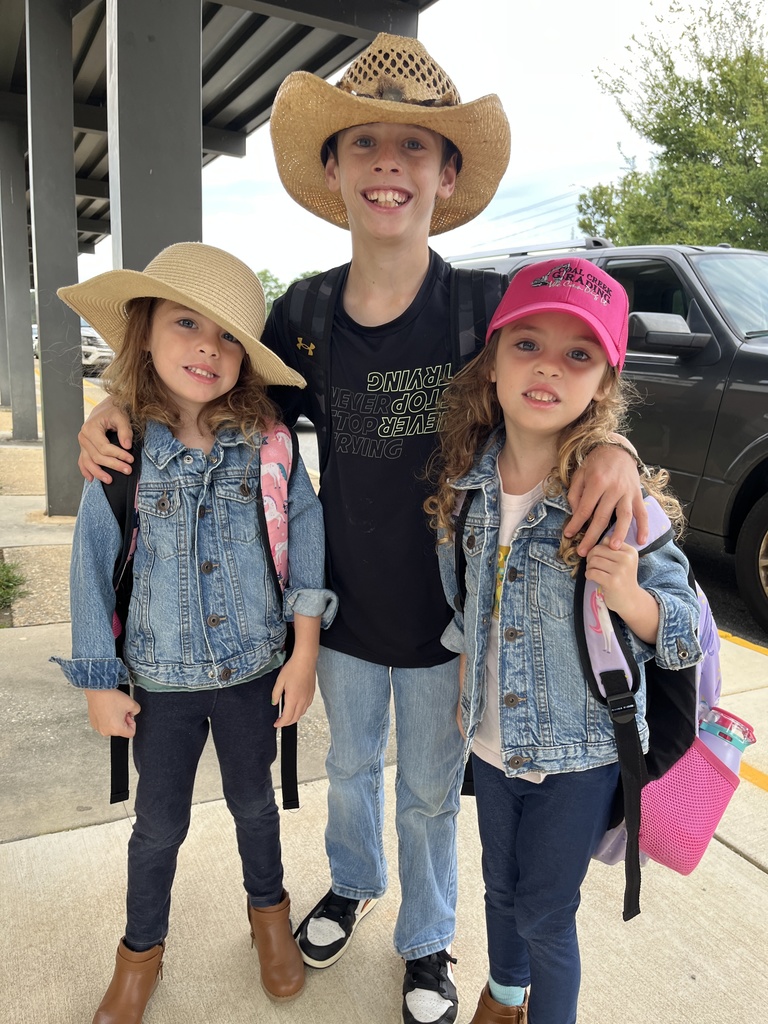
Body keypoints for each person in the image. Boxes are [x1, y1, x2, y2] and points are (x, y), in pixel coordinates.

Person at [75, 35, 650, 1024]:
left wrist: (618, 452)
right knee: (348, 772)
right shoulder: (300, 315)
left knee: (429, 792)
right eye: (367, 143)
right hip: (336, 612)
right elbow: (215, 405)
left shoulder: (481, 309)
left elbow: (571, 379)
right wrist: (108, 408)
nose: (391, 162)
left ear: (448, 173)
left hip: (444, 622)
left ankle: (426, 940)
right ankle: (350, 880)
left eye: (417, 146)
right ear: (334, 169)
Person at [53, 242, 337, 1024]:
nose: (207, 348)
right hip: (162, 683)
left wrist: (304, 649)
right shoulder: (123, 449)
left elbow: (305, 533)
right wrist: (97, 681)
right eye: (186, 324)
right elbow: (92, 558)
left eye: (227, 337)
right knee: (158, 828)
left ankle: (269, 921)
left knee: (255, 807)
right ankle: (140, 953)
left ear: (246, 358)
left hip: (254, 671)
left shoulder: (269, 444)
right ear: (144, 332)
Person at [426, 258, 703, 1024]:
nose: (549, 365)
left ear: (603, 386)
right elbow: (466, 603)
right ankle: (506, 996)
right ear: (492, 364)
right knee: (498, 888)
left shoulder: (618, 499)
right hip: (488, 738)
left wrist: (630, 598)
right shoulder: (471, 485)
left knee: (548, 913)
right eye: (528, 344)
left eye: (578, 354)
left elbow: (686, 635)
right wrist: (462, 694)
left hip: (579, 755)